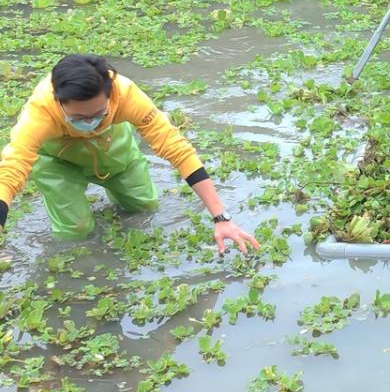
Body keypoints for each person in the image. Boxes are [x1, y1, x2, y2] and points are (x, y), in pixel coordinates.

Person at [0, 54, 259, 252]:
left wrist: (221, 217)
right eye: (79, 117)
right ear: (59, 101)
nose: (89, 120)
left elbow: (176, 148)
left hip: (111, 146)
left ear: (110, 95)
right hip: (57, 159)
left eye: (98, 114)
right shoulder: (40, 111)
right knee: (76, 232)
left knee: (145, 206)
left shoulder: (126, 94)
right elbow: (13, 168)